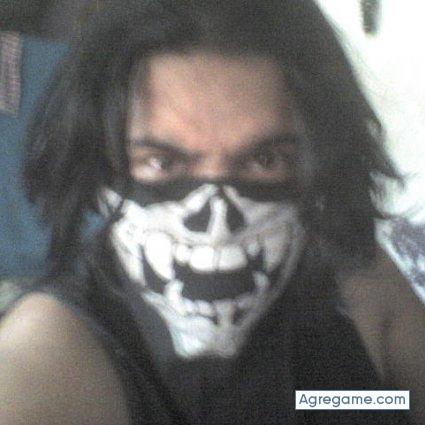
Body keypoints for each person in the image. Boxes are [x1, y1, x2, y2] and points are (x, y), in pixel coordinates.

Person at [0, 1, 424, 424]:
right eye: (162, 163)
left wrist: (344, 402)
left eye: (265, 160)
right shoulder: (50, 356)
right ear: (97, 166)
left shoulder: (357, 284)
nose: (218, 223)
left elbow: (398, 401)